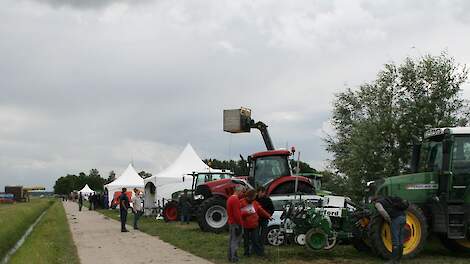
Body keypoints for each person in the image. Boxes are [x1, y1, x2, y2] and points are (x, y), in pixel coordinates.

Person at [374, 196, 409, 264]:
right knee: (400, 239)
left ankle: (393, 260)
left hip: (396, 219)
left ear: (374, 201)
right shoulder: (387, 199)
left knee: (395, 239)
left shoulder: (378, 203)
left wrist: (388, 220)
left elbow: (381, 211)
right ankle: (398, 260)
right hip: (403, 218)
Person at [240, 189, 271, 257]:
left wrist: (268, 216)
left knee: (255, 240)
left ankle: (259, 253)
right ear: (249, 196)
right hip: (246, 225)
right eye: (253, 197)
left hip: (254, 225)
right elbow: (240, 213)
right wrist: (247, 212)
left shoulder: (255, 203)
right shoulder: (242, 202)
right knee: (246, 241)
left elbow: (261, 210)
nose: (254, 198)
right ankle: (246, 253)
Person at [227, 186, 245, 263]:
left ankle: (230, 256)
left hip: (231, 222)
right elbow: (237, 214)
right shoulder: (235, 199)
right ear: (239, 191)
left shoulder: (230, 198)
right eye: (242, 192)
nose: (242, 194)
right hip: (235, 223)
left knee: (232, 240)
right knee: (235, 241)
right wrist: (240, 224)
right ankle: (233, 257)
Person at [255, 186, 274, 254]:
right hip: (256, 220)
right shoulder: (254, 199)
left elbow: (272, 209)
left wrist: (268, 216)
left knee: (263, 235)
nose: (263, 194)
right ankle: (256, 249)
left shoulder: (267, 199)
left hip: (264, 220)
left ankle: (261, 250)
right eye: (262, 192)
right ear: (259, 192)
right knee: (255, 235)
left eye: (264, 192)